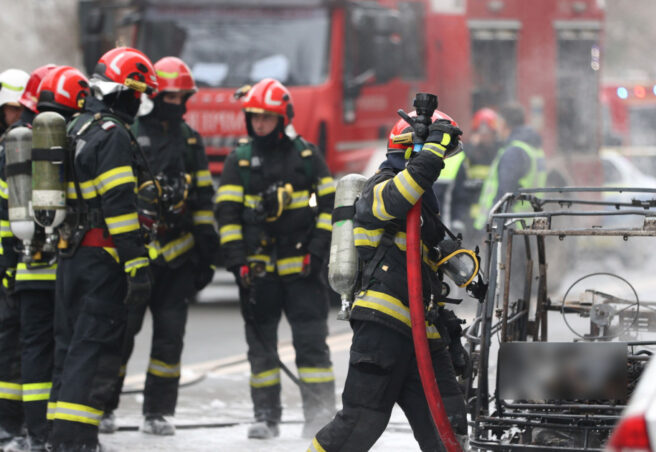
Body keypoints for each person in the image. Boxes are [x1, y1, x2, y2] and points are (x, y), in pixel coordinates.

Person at [310, 110, 469, 451]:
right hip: (383, 329)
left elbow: (427, 280)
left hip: (423, 336)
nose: (440, 166)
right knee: (359, 425)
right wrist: (430, 152)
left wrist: (449, 332)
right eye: (436, 156)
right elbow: (399, 196)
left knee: (450, 427)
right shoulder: (378, 189)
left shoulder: (426, 214)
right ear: (412, 150)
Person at [100, 56, 218, 437]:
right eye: (169, 96)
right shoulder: (131, 131)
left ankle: (158, 412)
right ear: (156, 96)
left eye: (181, 96)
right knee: (120, 336)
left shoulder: (190, 139)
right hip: (138, 254)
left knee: (169, 340)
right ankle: (104, 405)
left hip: (178, 258)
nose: (175, 102)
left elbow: (202, 199)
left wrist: (206, 252)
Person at [215, 78, 336, 439]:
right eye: (254, 117)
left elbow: (331, 208)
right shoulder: (239, 161)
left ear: (282, 118)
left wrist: (317, 252)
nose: (259, 124)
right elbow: (227, 215)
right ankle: (266, 417)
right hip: (258, 273)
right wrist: (237, 262)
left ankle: (321, 417)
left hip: (303, 271)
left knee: (312, 345)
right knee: (262, 350)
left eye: (266, 118)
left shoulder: (306, 157)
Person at [51, 47, 156, 452]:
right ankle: (75, 442)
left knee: (67, 346)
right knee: (91, 350)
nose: (139, 101)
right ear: (123, 90)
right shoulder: (111, 135)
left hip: (70, 256)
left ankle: (55, 436)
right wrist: (136, 265)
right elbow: (119, 208)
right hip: (102, 260)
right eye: (138, 93)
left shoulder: (75, 125)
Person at [0, 65, 90, 452]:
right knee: (66, 348)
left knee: (32, 348)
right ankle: (62, 433)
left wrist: (7, 269)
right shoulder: (74, 139)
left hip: (27, 264)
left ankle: (35, 433)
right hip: (67, 265)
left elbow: (7, 212)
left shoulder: (15, 146)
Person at [0, 67, 34, 448]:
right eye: (10, 109)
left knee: (14, 339)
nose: (15, 116)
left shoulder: (22, 145)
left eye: (20, 108)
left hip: (11, 260)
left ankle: (11, 420)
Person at [473, 103, 546, 230]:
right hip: (527, 224)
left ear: (504, 123)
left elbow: (504, 195)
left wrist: (493, 228)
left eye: (497, 123)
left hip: (510, 227)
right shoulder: (533, 148)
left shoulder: (514, 152)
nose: (496, 128)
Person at [434, 108, 501, 236]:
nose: (484, 135)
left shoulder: (500, 153)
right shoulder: (468, 154)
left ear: (494, 133)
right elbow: (458, 190)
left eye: (487, 132)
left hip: (490, 215)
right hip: (469, 217)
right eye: (480, 131)